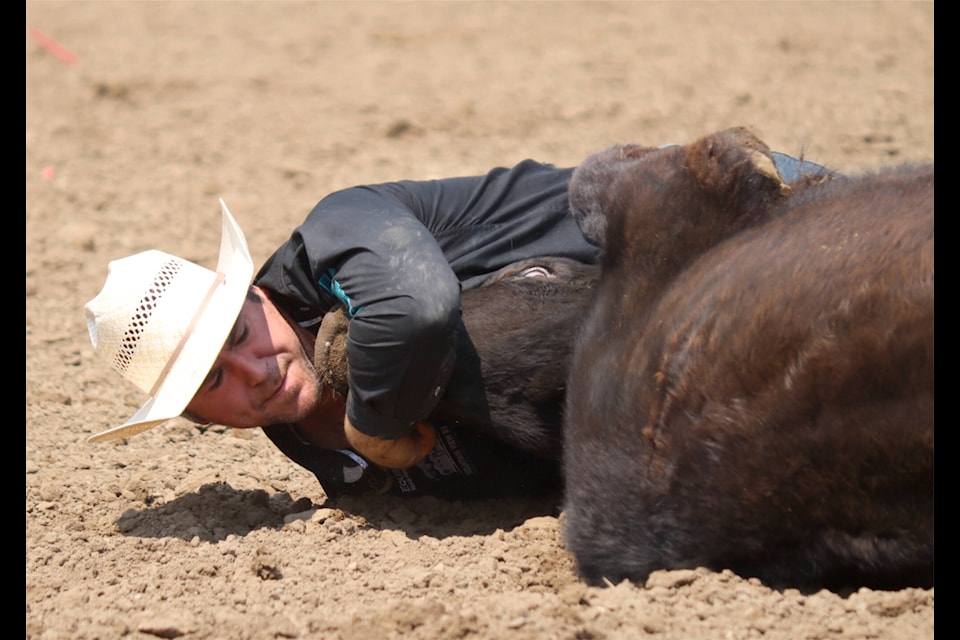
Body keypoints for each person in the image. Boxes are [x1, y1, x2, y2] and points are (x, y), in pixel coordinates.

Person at [84, 147, 832, 500]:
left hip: (751, 229)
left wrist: (374, 427)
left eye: (238, 336)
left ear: (252, 296)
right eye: (214, 380)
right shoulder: (315, 453)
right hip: (707, 398)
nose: (256, 370)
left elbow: (415, 307)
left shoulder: (336, 231)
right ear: (194, 417)